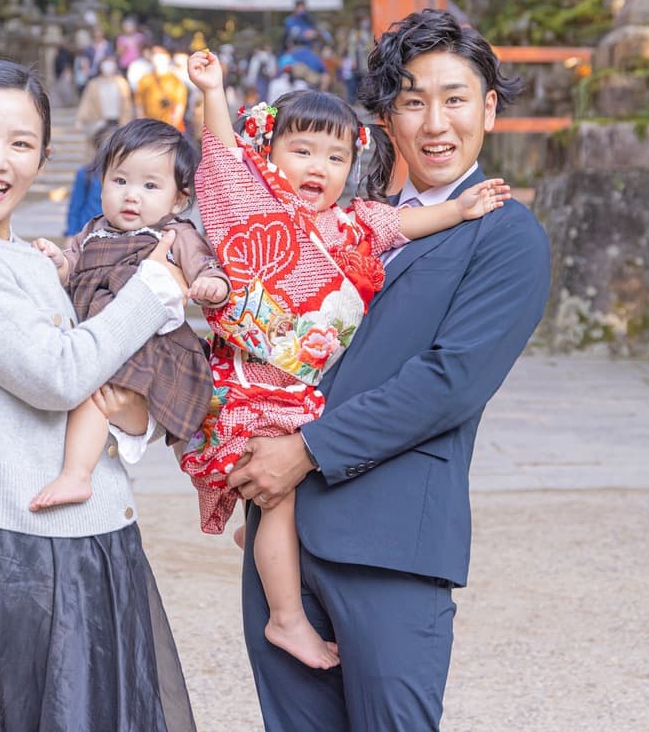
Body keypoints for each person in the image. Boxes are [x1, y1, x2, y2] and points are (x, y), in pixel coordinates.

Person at [222, 8, 551, 729]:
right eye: (412, 100)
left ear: (488, 109)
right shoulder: (346, 220)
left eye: (455, 98)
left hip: (391, 547)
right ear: (386, 119)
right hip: (282, 532)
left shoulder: (506, 236)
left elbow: (449, 381)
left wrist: (304, 451)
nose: (435, 122)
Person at [181, 50, 510, 672]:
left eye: (336, 158)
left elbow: (402, 226)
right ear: (268, 154)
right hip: (252, 387)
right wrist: (213, 90)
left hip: (298, 398)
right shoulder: (249, 209)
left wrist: (461, 210)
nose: (319, 167)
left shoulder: (351, 224)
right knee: (274, 501)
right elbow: (223, 157)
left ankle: (265, 556)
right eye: (301, 151)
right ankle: (286, 617)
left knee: (275, 502)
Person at [0, 59, 197, 732]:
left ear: (41, 156)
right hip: (24, 549)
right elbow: (61, 375)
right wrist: (154, 289)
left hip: (92, 532)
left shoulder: (29, 258)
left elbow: (114, 386)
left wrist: (136, 413)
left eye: (20, 143)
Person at [29, 119, 231, 511]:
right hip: (104, 340)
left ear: (177, 200)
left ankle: (76, 475)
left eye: (150, 186)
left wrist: (212, 285)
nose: (131, 196)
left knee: (97, 397)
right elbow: (71, 265)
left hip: (153, 352)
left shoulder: (175, 235)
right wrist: (57, 262)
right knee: (94, 396)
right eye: (120, 181)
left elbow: (206, 267)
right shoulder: (93, 231)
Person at [64, 123, 117, 238]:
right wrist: (71, 233)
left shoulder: (125, 177)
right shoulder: (86, 173)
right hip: (87, 232)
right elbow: (75, 207)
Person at [75, 53, 134, 137]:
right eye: (106, 62)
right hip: (99, 122)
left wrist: (128, 121)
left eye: (111, 62)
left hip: (118, 122)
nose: (108, 65)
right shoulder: (93, 84)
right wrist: (79, 120)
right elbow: (86, 102)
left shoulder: (122, 82)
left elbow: (127, 104)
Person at [135, 47, 188, 131]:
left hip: (168, 127)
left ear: (168, 57)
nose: (158, 59)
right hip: (149, 128)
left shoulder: (175, 80)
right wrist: (142, 126)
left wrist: (173, 127)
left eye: (161, 55)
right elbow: (139, 105)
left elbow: (180, 106)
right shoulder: (145, 79)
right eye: (155, 55)